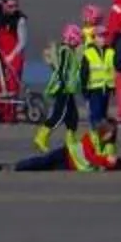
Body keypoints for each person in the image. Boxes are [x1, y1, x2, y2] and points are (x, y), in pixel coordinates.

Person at [34, 21, 84, 151]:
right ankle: (41, 136)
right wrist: (63, 84)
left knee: (73, 116)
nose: (79, 42)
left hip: (69, 88)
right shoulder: (65, 51)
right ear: (71, 37)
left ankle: (71, 140)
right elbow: (62, 69)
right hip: (64, 88)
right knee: (59, 114)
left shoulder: (69, 51)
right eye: (78, 38)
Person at [6, 118, 121, 171]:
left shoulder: (110, 146)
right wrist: (106, 161)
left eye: (112, 133)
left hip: (71, 166)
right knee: (43, 161)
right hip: (66, 154)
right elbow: (90, 157)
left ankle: (19, 167)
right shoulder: (90, 136)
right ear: (103, 130)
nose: (109, 136)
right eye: (108, 132)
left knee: (46, 168)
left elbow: (108, 161)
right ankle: (17, 166)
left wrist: (113, 163)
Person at [0, 0, 27, 98]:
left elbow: (22, 42)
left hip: (13, 55)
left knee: (11, 85)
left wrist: (11, 56)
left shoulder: (20, 20)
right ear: (3, 4)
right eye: (10, 6)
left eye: (16, 6)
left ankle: (11, 107)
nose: (14, 9)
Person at [80, 20, 117, 130]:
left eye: (104, 36)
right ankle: (94, 135)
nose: (103, 39)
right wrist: (84, 88)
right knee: (95, 114)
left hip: (106, 88)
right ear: (94, 38)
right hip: (94, 89)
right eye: (100, 37)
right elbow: (84, 73)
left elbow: (113, 69)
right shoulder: (88, 53)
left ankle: (100, 135)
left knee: (103, 114)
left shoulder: (110, 52)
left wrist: (113, 86)